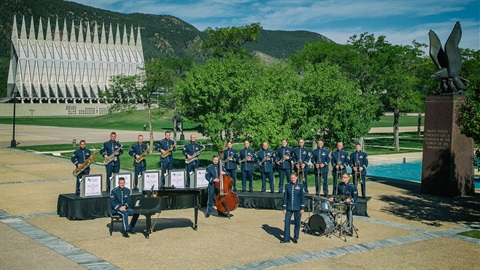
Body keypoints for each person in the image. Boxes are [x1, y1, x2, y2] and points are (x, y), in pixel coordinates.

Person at [281, 173, 305, 244]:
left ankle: (295, 237)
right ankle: (286, 238)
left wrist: (302, 208)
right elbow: (285, 197)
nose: (293, 179)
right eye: (291, 178)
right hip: (288, 207)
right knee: (287, 222)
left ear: (296, 178)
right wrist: (284, 207)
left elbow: (302, 198)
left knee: (297, 222)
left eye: (294, 178)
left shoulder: (300, 186)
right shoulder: (287, 186)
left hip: (298, 207)